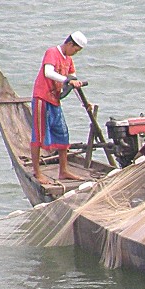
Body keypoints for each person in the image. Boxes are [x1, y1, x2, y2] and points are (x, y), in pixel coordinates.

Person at [30, 31, 88, 184]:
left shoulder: (68, 60)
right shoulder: (52, 52)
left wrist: (84, 102)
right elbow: (48, 72)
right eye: (75, 50)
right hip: (42, 98)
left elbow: (73, 80)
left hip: (55, 100)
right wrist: (67, 81)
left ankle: (64, 171)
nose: (75, 53)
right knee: (39, 136)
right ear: (70, 44)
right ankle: (37, 172)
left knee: (63, 134)